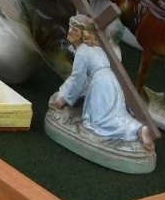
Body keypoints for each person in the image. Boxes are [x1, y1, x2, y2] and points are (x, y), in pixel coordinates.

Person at [50, 15, 152, 148]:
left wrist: (64, 99)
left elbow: (77, 79)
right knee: (115, 113)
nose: (69, 31)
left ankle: (134, 129)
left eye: (75, 30)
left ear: (83, 34)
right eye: (70, 27)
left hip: (101, 85)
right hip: (113, 83)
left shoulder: (82, 52)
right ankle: (139, 128)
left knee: (100, 121)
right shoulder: (96, 48)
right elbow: (84, 80)